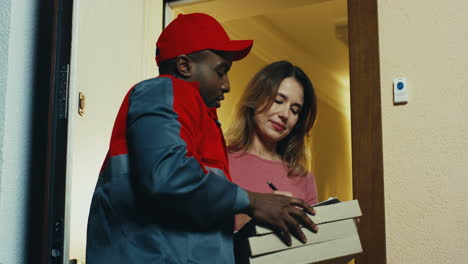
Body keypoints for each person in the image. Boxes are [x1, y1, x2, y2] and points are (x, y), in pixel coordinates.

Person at [86, 13, 318, 264]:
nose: (227, 85)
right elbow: (166, 174)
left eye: (295, 109)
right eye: (221, 71)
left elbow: (198, 224)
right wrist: (252, 201)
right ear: (184, 66)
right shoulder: (162, 90)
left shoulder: (203, 119)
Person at [226, 61, 319, 231]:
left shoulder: (303, 178)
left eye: (295, 110)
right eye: (278, 100)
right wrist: (256, 212)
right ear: (256, 98)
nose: (285, 114)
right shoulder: (220, 160)